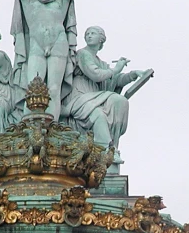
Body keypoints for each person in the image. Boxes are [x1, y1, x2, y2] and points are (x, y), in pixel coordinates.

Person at [11, 0, 81, 120]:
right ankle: (28, 133)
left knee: (54, 88)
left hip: (58, 43)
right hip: (36, 45)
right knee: (33, 87)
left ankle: (52, 130)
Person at [61, 26, 146, 163]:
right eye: (87, 33)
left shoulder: (100, 62)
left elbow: (113, 80)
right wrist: (116, 69)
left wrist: (132, 75)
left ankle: (112, 146)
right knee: (99, 115)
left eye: (92, 33)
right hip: (79, 95)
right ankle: (106, 150)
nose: (88, 36)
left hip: (93, 96)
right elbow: (95, 74)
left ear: (101, 39)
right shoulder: (82, 54)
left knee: (120, 101)